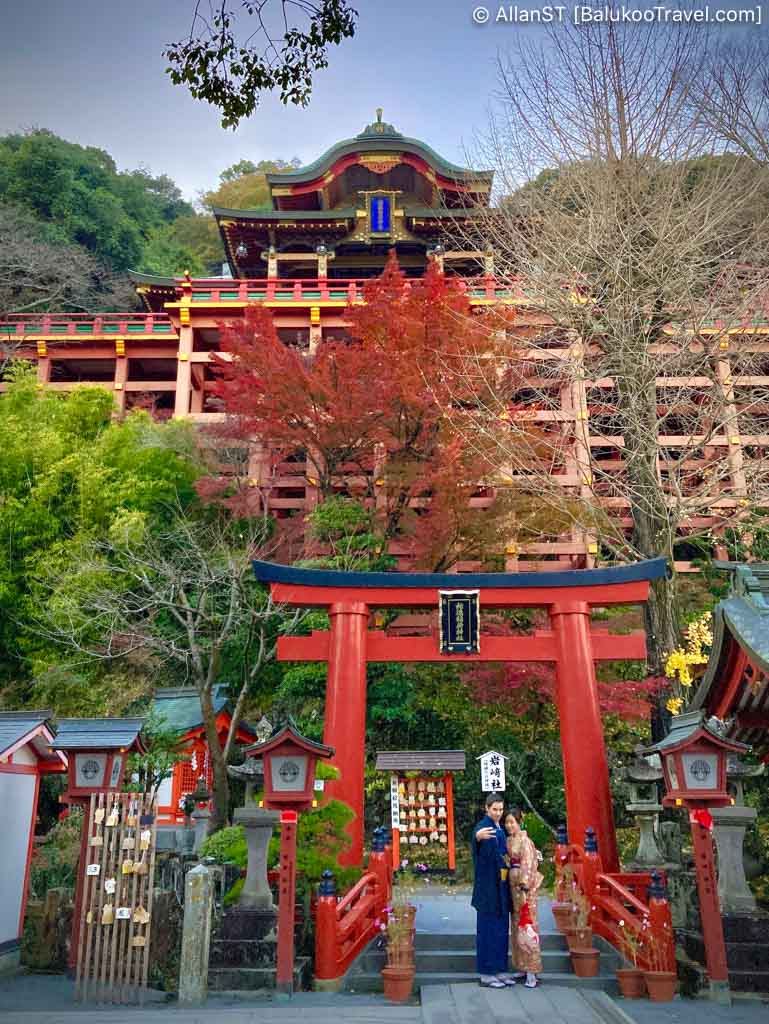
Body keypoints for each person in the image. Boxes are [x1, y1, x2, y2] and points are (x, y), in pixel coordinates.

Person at [471, 792, 515, 988]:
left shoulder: (500, 827)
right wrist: (476, 839)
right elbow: (478, 846)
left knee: (501, 928)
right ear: (486, 809)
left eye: (500, 809)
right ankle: (487, 972)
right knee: (488, 929)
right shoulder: (483, 827)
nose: (498, 813)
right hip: (489, 887)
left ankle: (500, 969)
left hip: (502, 886)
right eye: (494, 809)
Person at [505, 808, 544, 988]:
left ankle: (532, 971)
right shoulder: (509, 840)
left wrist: (524, 884)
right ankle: (521, 966)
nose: (509, 825)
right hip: (513, 889)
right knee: (516, 926)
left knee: (527, 926)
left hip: (524, 890)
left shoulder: (525, 841)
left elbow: (528, 864)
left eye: (512, 822)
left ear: (519, 822)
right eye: (507, 822)